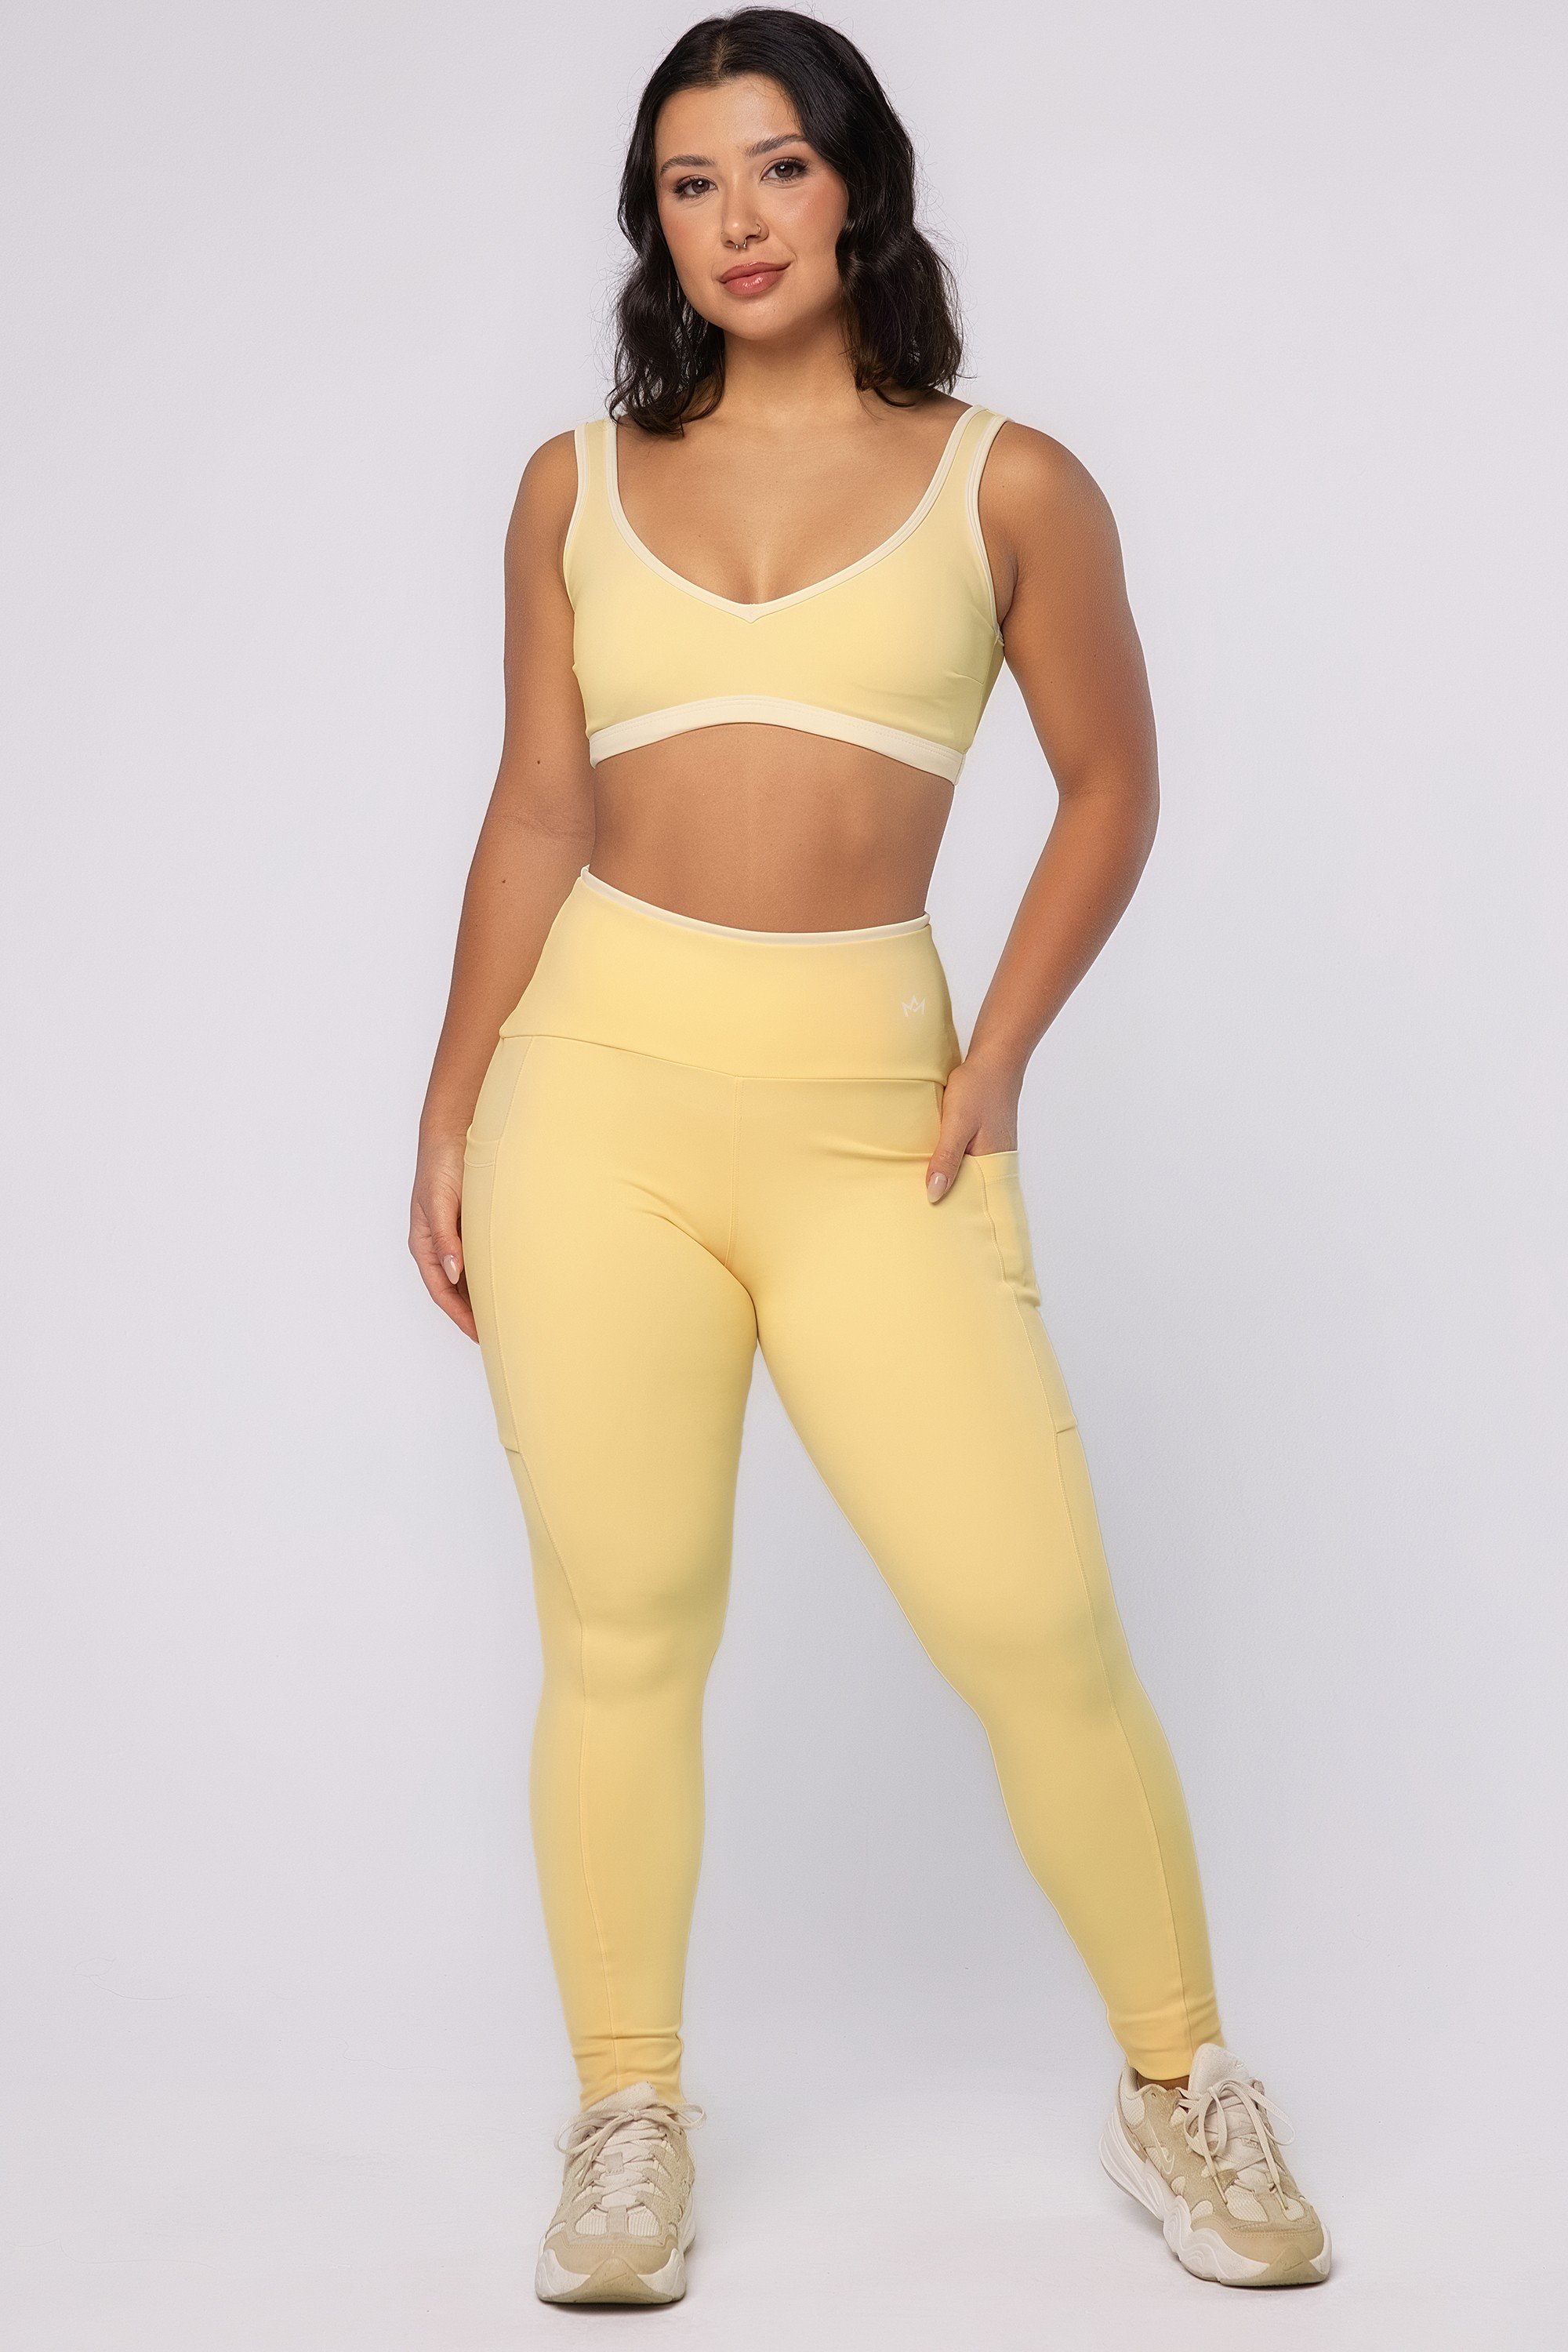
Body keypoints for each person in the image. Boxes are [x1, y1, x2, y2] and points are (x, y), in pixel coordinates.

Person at [410, 5, 1330, 2308]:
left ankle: (1180, 2081)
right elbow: (537, 808)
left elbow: (1113, 787)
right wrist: (448, 1106)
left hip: (874, 1121)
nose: (736, 219)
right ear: (654, 223)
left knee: (1033, 1618)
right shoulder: (570, 487)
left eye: (777, 168)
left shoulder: (1008, 484)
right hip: (592, 1101)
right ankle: (628, 2114)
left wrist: (995, 1053)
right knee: (625, 1625)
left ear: (857, 187)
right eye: (689, 182)